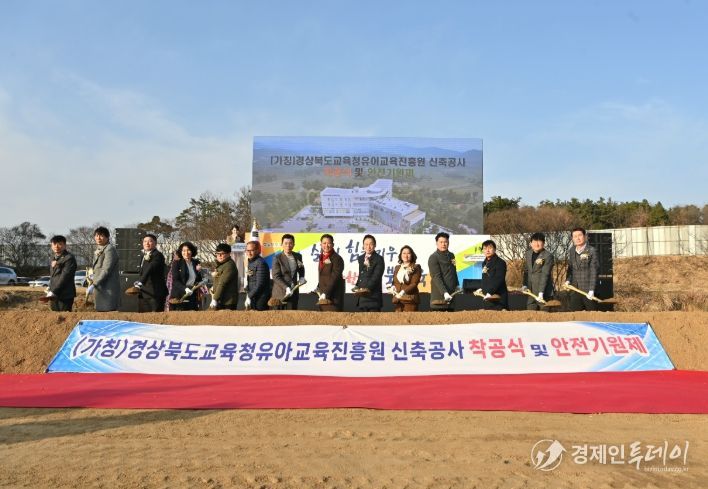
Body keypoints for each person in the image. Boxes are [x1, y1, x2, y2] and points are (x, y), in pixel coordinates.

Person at [566, 227, 599, 311]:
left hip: (588, 290)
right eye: (575, 236)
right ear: (572, 239)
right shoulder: (572, 250)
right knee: (574, 314)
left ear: (585, 236)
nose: (578, 238)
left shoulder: (591, 250)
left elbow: (594, 271)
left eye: (580, 235)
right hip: (575, 289)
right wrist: (568, 280)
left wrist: (591, 290)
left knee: (592, 314)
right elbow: (571, 268)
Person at [134, 234, 168, 312]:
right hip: (143, 292)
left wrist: (140, 282)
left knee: (156, 317)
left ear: (155, 243)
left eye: (150, 241)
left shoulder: (158, 255)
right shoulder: (142, 255)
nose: (147, 243)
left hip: (155, 293)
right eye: (145, 241)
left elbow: (150, 268)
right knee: (143, 317)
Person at [271, 234, 305, 310]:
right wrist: (286, 287)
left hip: (293, 293)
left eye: (290, 243)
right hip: (280, 293)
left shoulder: (298, 256)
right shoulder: (277, 258)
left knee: (292, 315)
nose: (288, 246)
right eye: (286, 243)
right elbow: (276, 276)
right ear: (282, 244)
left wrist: (302, 277)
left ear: (294, 244)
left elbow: (301, 268)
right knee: (279, 316)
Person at [522, 232, 555, 311]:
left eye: (539, 241)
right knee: (530, 313)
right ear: (531, 243)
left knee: (545, 314)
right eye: (534, 241)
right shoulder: (528, 254)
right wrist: (524, 284)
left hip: (544, 292)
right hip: (531, 292)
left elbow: (545, 274)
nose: (537, 244)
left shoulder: (548, 256)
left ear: (543, 243)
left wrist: (541, 292)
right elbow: (526, 271)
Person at [91, 226, 121, 312]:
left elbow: (106, 269)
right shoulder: (99, 249)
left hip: (108, 287)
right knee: (100, 312)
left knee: (108, 311)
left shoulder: (109, 249)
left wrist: (94, 284)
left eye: (101, 236)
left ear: (107, 237)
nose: (98, 238)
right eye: (96, 236)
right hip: (100, 286)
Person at [428, 232, 459, 311]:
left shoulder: (451, 255)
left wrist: (457, 284)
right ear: (436, 243)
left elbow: (454, 271)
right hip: (439, 296)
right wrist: (445, 292)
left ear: (448, 243)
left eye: (445, 242)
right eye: (441, 242)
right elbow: (436, 277)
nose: (443, 244)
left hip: (451, 295)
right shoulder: (433, 257)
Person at [46, 235, 77, 312]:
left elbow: (65, 277)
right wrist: (50, 288)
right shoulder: (53, 258)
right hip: (54, 294)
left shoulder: (69, 258)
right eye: (54, 244)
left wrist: (53, 291)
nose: (56, 246)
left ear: (65, 245)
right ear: (51, 246)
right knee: (54, 316)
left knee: (64, 316)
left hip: (65, 294)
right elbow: (53, 276)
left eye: (59, 244)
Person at [354, 234, 385, 312]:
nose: (368, 247)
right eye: (366, 244)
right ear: (363, 246)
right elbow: (361, 275)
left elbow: (376, 277)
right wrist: (357, 286)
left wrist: (366, 289)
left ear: (375, 245)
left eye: (371, 244)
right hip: (362, 298)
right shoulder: (361, 258)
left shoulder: (379, 259)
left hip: (373, 298)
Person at [169, 241, 202, 311]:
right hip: (179, 295)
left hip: (192, 293)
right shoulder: (177, 263)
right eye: (184, 251)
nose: (186, 253)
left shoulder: (196, 262)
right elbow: (175, 281)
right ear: (181, 252)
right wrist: (185, 288)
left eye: (188, 250)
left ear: (192, 251)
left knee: (193, 314)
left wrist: (199, 271)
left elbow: (198, 279)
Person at [316, 233, 345, 312]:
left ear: (333, 244)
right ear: (321, 244)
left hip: (333, 299)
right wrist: (318, 287)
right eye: (324, 243)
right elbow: (323, 275)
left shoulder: (337, 259)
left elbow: (334, 278)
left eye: (329, 243)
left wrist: (325, 293)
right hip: (323, 297)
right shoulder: (321, 257)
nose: (326, 245)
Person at [477, 239, 508, 310]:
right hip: (487, 297)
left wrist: (490, 292)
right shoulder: (484, 263)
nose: (487, 250)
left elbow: (499, 279)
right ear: (482, 251)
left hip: (498, 297)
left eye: (490, 248)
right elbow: (485, 278)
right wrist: (482, 288)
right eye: (485, 248)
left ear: (494, 249)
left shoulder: (500, 262)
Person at [391, 245, 422, 312]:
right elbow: (394, 282)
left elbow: (414, 284)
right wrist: (393, 287)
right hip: (398, 301)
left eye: (408, 253)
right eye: (404, 253)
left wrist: (402, 292)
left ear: (412, 255)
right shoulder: (397, 267)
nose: (406, 255)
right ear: (401, 255)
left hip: (410, 300)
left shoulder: (416, 267)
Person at [210, 243, 240, 310]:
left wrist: (214, 299)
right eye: (217, 254)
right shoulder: (222, 264)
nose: (219, 256)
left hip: (227, 302)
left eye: (222, 254)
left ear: (229, 254)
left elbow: (222, 283)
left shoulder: (229, 265)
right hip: (221, 300)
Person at [245, 240, 271, 311]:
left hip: (261, 298)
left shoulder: (261, 263)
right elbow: (251, 278)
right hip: (254, 296)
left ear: (257, 251)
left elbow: (260, 284)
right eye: (247, 250)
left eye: (251, 250)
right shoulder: (250, 261)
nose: (249, 253)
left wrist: (249, 296)